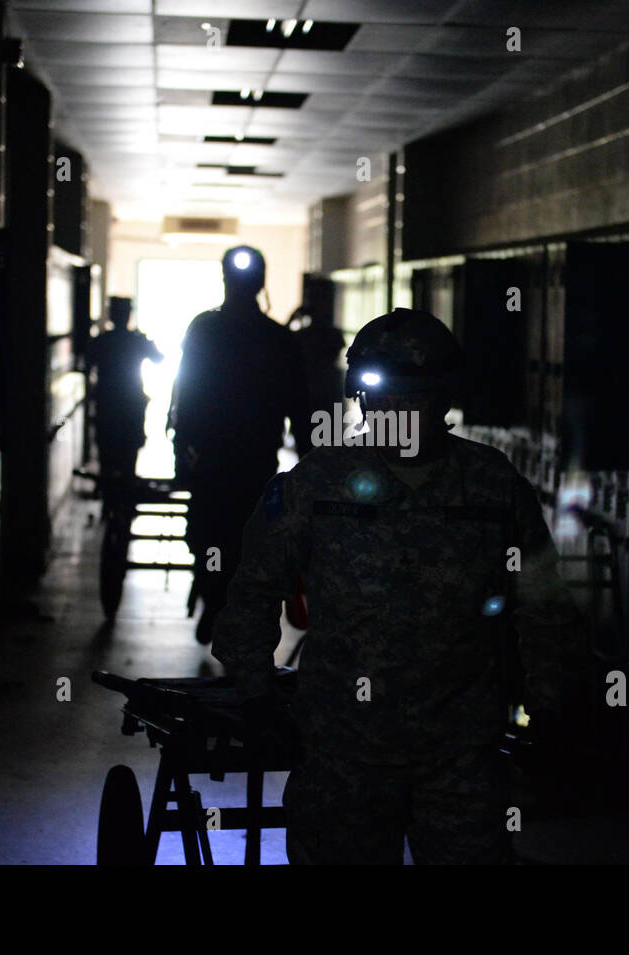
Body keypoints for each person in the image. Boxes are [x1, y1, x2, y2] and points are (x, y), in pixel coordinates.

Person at [211, 307, 585, 864]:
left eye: (416, 394)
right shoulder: (315, 485)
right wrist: (257, 694)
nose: (398, 410)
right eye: (383, 393)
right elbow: (254, 592)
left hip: (460, 755)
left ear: (444, 396)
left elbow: (542, 605)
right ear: (360, 395)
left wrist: (550, 708)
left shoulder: (492, 486)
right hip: (343, 750)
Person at [168, 245, 312, 644]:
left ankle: (220, 601)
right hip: (244, 460)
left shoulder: (208, 329)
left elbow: (185, 389)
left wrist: (181, 447)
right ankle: (221, 601)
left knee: (214, 532)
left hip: (224, 460)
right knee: (234, 535)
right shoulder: (275, 338)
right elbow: (300, 407)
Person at [86, 296, 164, 479]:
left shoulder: (102, 341)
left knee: (108, 456)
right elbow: (159, 358)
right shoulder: (136, 340)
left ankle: (111, 499)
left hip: (108, 404)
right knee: (128, 456)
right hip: (131, 404)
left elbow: (86, 365)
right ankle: (125, 498)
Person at [290, 303, 346, 422]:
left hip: (311, 385)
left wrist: (292, 317)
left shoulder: (303, 335)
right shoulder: (333, 334)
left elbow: (283, 339)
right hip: (325, 385)